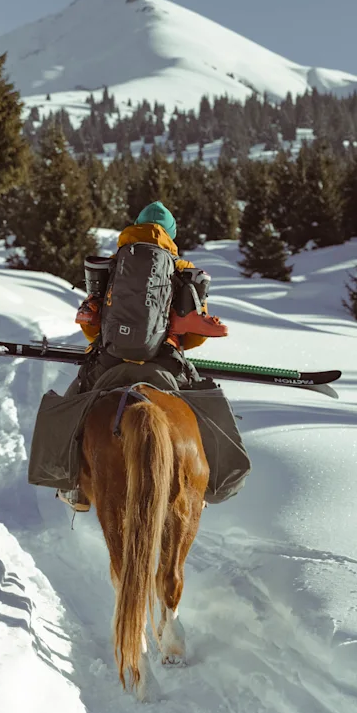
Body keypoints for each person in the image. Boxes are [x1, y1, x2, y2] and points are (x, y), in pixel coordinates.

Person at [57, 201, 227, 511]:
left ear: (134, 227)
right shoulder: (184, 271)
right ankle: (205, 486)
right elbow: (196, 337)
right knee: (198, 412)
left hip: (111, 362)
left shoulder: (114, 264)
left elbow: (92, 330)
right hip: (165, 364)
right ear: (171, 236)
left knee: (76, 402)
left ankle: (72, 487)